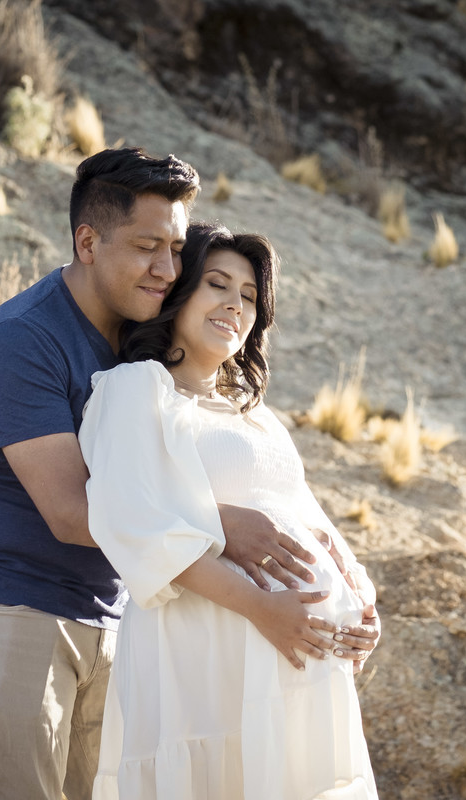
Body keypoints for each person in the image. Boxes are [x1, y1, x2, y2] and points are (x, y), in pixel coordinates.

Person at [0, 148, 379, 800]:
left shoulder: (137, 345)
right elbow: (72, 508)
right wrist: (224, 527)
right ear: (88, 241)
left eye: (174, 249)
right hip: (12, 613)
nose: (166, 269)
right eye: (147, 248)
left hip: (112, 616)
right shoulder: (25, 339)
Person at [79, 222, 379, 799]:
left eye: (248, 296)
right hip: (202, 655)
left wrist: (360, 600)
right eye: (217, 284)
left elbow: (306, 516)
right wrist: (262, 607)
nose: (234, 305)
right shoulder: (137, 390)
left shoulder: (255, 414)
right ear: (178, 292)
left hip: (291, 670)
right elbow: (140, 526)